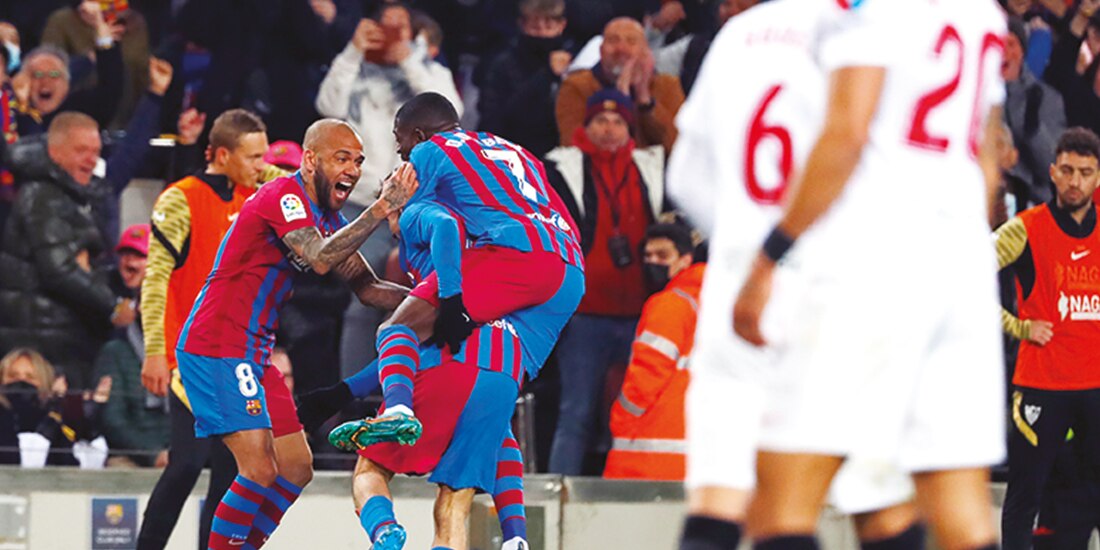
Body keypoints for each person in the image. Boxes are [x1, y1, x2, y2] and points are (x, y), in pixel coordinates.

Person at [713, 2, 1007, 550]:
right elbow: (988, 164)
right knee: (959, 510)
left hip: (877, 257)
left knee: (780, 503)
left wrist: (768, 257)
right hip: (962, 265)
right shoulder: (983, 11)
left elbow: (847, 132)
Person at [175, 118, 414, 548]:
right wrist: (379, 209)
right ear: (309, 160)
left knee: (296, 468)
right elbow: (320, 258)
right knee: (259, 470)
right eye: (341, 157)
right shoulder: (282, 195)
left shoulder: (328, 217)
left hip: (255, 352)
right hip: (218, 344)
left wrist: (436, 301)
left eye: (358, 161)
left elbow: (369, 289)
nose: (353, 169)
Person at [339, 92, 584, 454]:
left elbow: (440, 226)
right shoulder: (514, 150)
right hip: (569, 269)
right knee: (494, 410)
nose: (400, 153)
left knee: (400, 329)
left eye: (400, 140)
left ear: (418, 135)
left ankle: (397, 410)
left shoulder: (426, 155)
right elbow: (563, 216)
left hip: (513, 254)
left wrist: (452, 299)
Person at [328, 199, 538, 550]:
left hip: (445, 368)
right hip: (503, 370)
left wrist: (346, 391)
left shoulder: (427, 240)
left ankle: (385, 532)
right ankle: (516, 536)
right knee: (456, 502)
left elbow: (400, 321)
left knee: (371, 469)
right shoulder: (510, 252)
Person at [135, 109, 269, 550]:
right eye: (253, 157)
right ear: (224, 155)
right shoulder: (181, 198)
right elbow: (155, 278)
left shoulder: (253, 193)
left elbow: (290, 179)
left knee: (230, 472)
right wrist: (155, 350)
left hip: (233, 358)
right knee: (186, 464)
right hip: (185, 358)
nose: (261, 166)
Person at [543, 89, 664, 475]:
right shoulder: (562, 169)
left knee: (639, 413)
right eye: (600, 121)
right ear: (587, 126)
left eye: (617, 121)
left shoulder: (650, 168)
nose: (609, 128)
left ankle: (630, 494)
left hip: (640, 314)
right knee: (575, 413)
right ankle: (558, 495)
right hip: (585, 314)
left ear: (629, 128)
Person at [995, 127, 1100, 550]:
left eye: (1086, 172)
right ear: (1053, 172)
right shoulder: (1025, 228)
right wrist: (1019, 328)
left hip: (1095, 386)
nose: (1076, 181)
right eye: (1068, 171)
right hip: (1042, 386)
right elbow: (962, 278)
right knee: (1025, 497)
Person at [0, 112, 134, 389]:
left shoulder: (75, 193)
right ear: (54, 151)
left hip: (63, 332)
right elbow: (59, 270)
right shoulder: (42, 195)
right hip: (40, 337)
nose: (90, 160)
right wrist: (114, 306)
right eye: (81, 150)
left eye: (95, 152)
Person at [603, 222, 701, 481]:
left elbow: (647, 374)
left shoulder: (670, 304)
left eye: (662, 255)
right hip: (699, 453)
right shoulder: (718, 303)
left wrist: (621, 420)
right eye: (647, 256)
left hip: (652, 454)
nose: (652, 262)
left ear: (685, 260)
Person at [556, 17, 683, 154]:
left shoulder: (668, 86)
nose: (621, 49)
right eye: (613, 41)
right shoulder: (576, 86)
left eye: (631, 41)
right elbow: (572, 145)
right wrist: (620, 101)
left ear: (645, 51)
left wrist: (645, 101)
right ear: (601, 50)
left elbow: (677, 147)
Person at [477, 0, 574, 157]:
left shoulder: (574, 62)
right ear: (522, 24)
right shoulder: (502, 64)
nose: (542, 33)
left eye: (549, 26)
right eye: (535, 27)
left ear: (562, 25)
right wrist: (546, 75)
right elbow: (497, 118)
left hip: (560, 156)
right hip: (509, 152)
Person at [41, 0, 151, 129]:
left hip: (126, 122)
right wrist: (98, 49)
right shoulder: (62, 21)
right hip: (79, 121)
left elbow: (143, 75)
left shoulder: (134, 22)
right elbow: (48, 71)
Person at [1004, 16, 1066, 207]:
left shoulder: (1046, 97)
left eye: (1011, 44)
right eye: (999, 45)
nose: (1005, 53)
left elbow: (1055, 166)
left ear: (1022, 51)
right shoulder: (976, 93)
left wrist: (1033, 130)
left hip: (1031, 201)